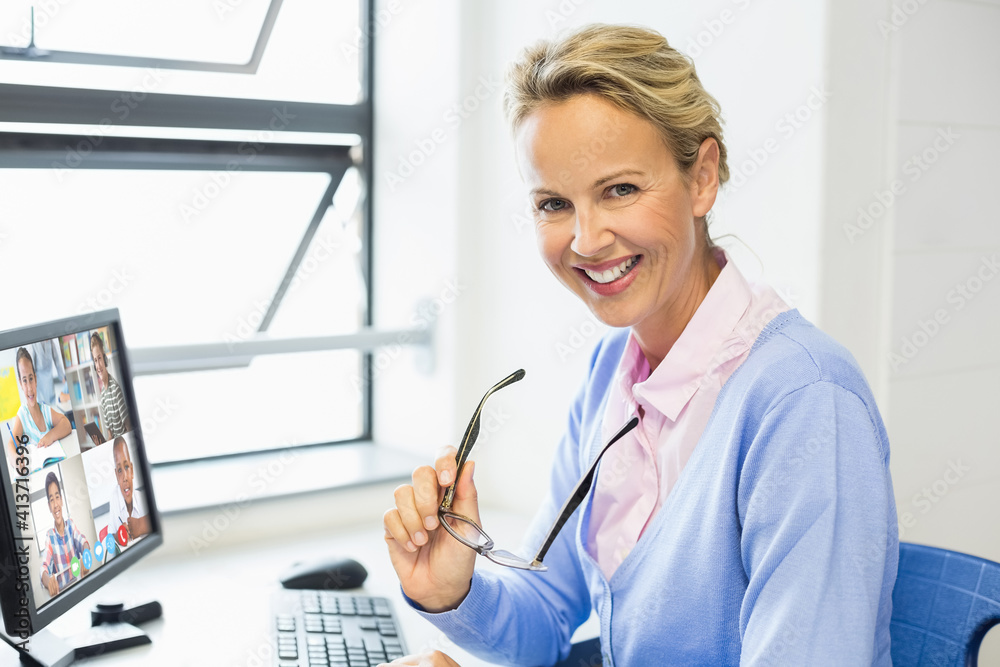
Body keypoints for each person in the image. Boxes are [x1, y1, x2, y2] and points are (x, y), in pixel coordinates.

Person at [382, 24, 898, 666]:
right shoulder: (613, 370)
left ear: (702, 177)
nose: (587, 240)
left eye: (619, 189)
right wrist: (452, 590)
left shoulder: (807, 404)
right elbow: (547, 616)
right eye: (553, 203)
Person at [6, 348, 71, 465]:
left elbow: (66, 424)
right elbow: (10, 444)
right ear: (20, 383)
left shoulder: (45, 410)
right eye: (25, 381)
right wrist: (16, 459)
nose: (30, 387)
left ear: (36, 379)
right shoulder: (22, 415)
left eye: (31, 378)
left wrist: (49, 436)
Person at [39, 471, 90, 597]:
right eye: (51, 500)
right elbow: (44, 567)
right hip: (65, 595)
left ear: (61, 500)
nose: (56, 504)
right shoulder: (49, 537)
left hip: (81, 587)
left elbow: (83, 542)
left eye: (57, 497)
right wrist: (48, 580)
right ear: (49, 506)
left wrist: (86, 554)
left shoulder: (71, 525)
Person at [90, 333, 131, 444]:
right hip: (115, 447)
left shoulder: (116, 389)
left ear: (105, 359)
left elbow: (129, 430)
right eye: (95, 360)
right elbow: (110, 435)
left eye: (99, 358)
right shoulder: (103, 396)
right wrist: (101, 444)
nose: (98, 365)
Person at [108, 436, 150, 544]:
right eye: (120, 470)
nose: (125, 477)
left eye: (126, 467)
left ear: (132, 470)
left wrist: (141, 525)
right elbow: (110, 537)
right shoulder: (114, 498)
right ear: (116, 475)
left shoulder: (142, 499)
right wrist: (118, 536)